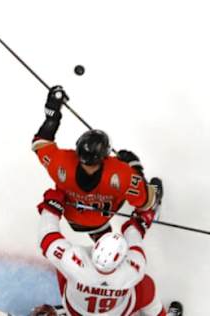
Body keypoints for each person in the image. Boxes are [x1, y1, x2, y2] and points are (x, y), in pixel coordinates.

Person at [32, 86, 163, 241]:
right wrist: (135, 167)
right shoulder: (122, 173)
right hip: (101, 218)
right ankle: (145, 219)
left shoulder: (61, 162)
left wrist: (52, 114)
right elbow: (144, 201)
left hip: (74, 220)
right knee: (148, 198)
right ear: (104, 156)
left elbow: (40, 142)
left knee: (88, 202)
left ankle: (100, 235)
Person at [31, 188, 183, 316]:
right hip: (118, 311)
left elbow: (47, 237)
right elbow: (134, 238)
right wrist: (139, 222)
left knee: (62, 265)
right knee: (146, 286)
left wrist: (51, 207)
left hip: (77, 310)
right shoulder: (133, 269)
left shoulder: (73, 261)